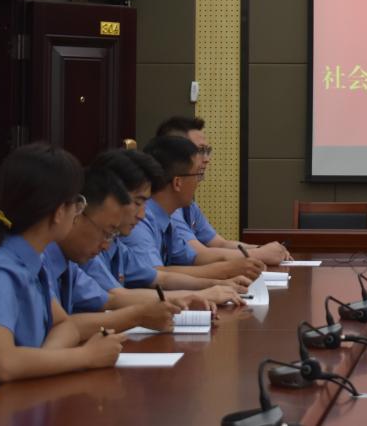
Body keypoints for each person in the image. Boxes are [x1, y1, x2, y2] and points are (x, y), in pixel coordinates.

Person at [0, 144, 125, 397]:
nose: (78, 213)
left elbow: (66, 325)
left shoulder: (34, 258)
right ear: (59, 212)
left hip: (26, 396)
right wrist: (86, 356)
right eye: (77, 204)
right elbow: (3, 363)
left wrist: (40, 362)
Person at [82, 149, 246, 306]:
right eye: (138, 202)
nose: (142, 214)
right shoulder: (86, 246)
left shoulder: (117, 244)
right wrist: (202, 294)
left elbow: (160, 278)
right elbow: (113, 297)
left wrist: (216, 285)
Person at [41, 166, 182, 333]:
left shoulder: (69, 264)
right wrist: (137, 317)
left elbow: (107, 300)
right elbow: (59, 327)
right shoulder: (36, 263)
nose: (106, 245)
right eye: (106, 233)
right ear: (76, 213)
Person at [122, 136, 265, 287]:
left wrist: (236, 266)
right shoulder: (138, 219)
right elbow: (154, 275)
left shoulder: (167, 217)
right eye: (198, 175)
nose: (199, 182)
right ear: (177, 183)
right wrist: (225, 271)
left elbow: (194, 258)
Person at [156, 116, 290, 266]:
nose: (206, 159)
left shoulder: (187, 203)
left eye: (207, 151)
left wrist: (264, 250)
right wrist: (260, 254)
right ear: (173, 153)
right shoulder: (166, 205)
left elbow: (219, 244)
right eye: (199, 151)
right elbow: (199, 255)